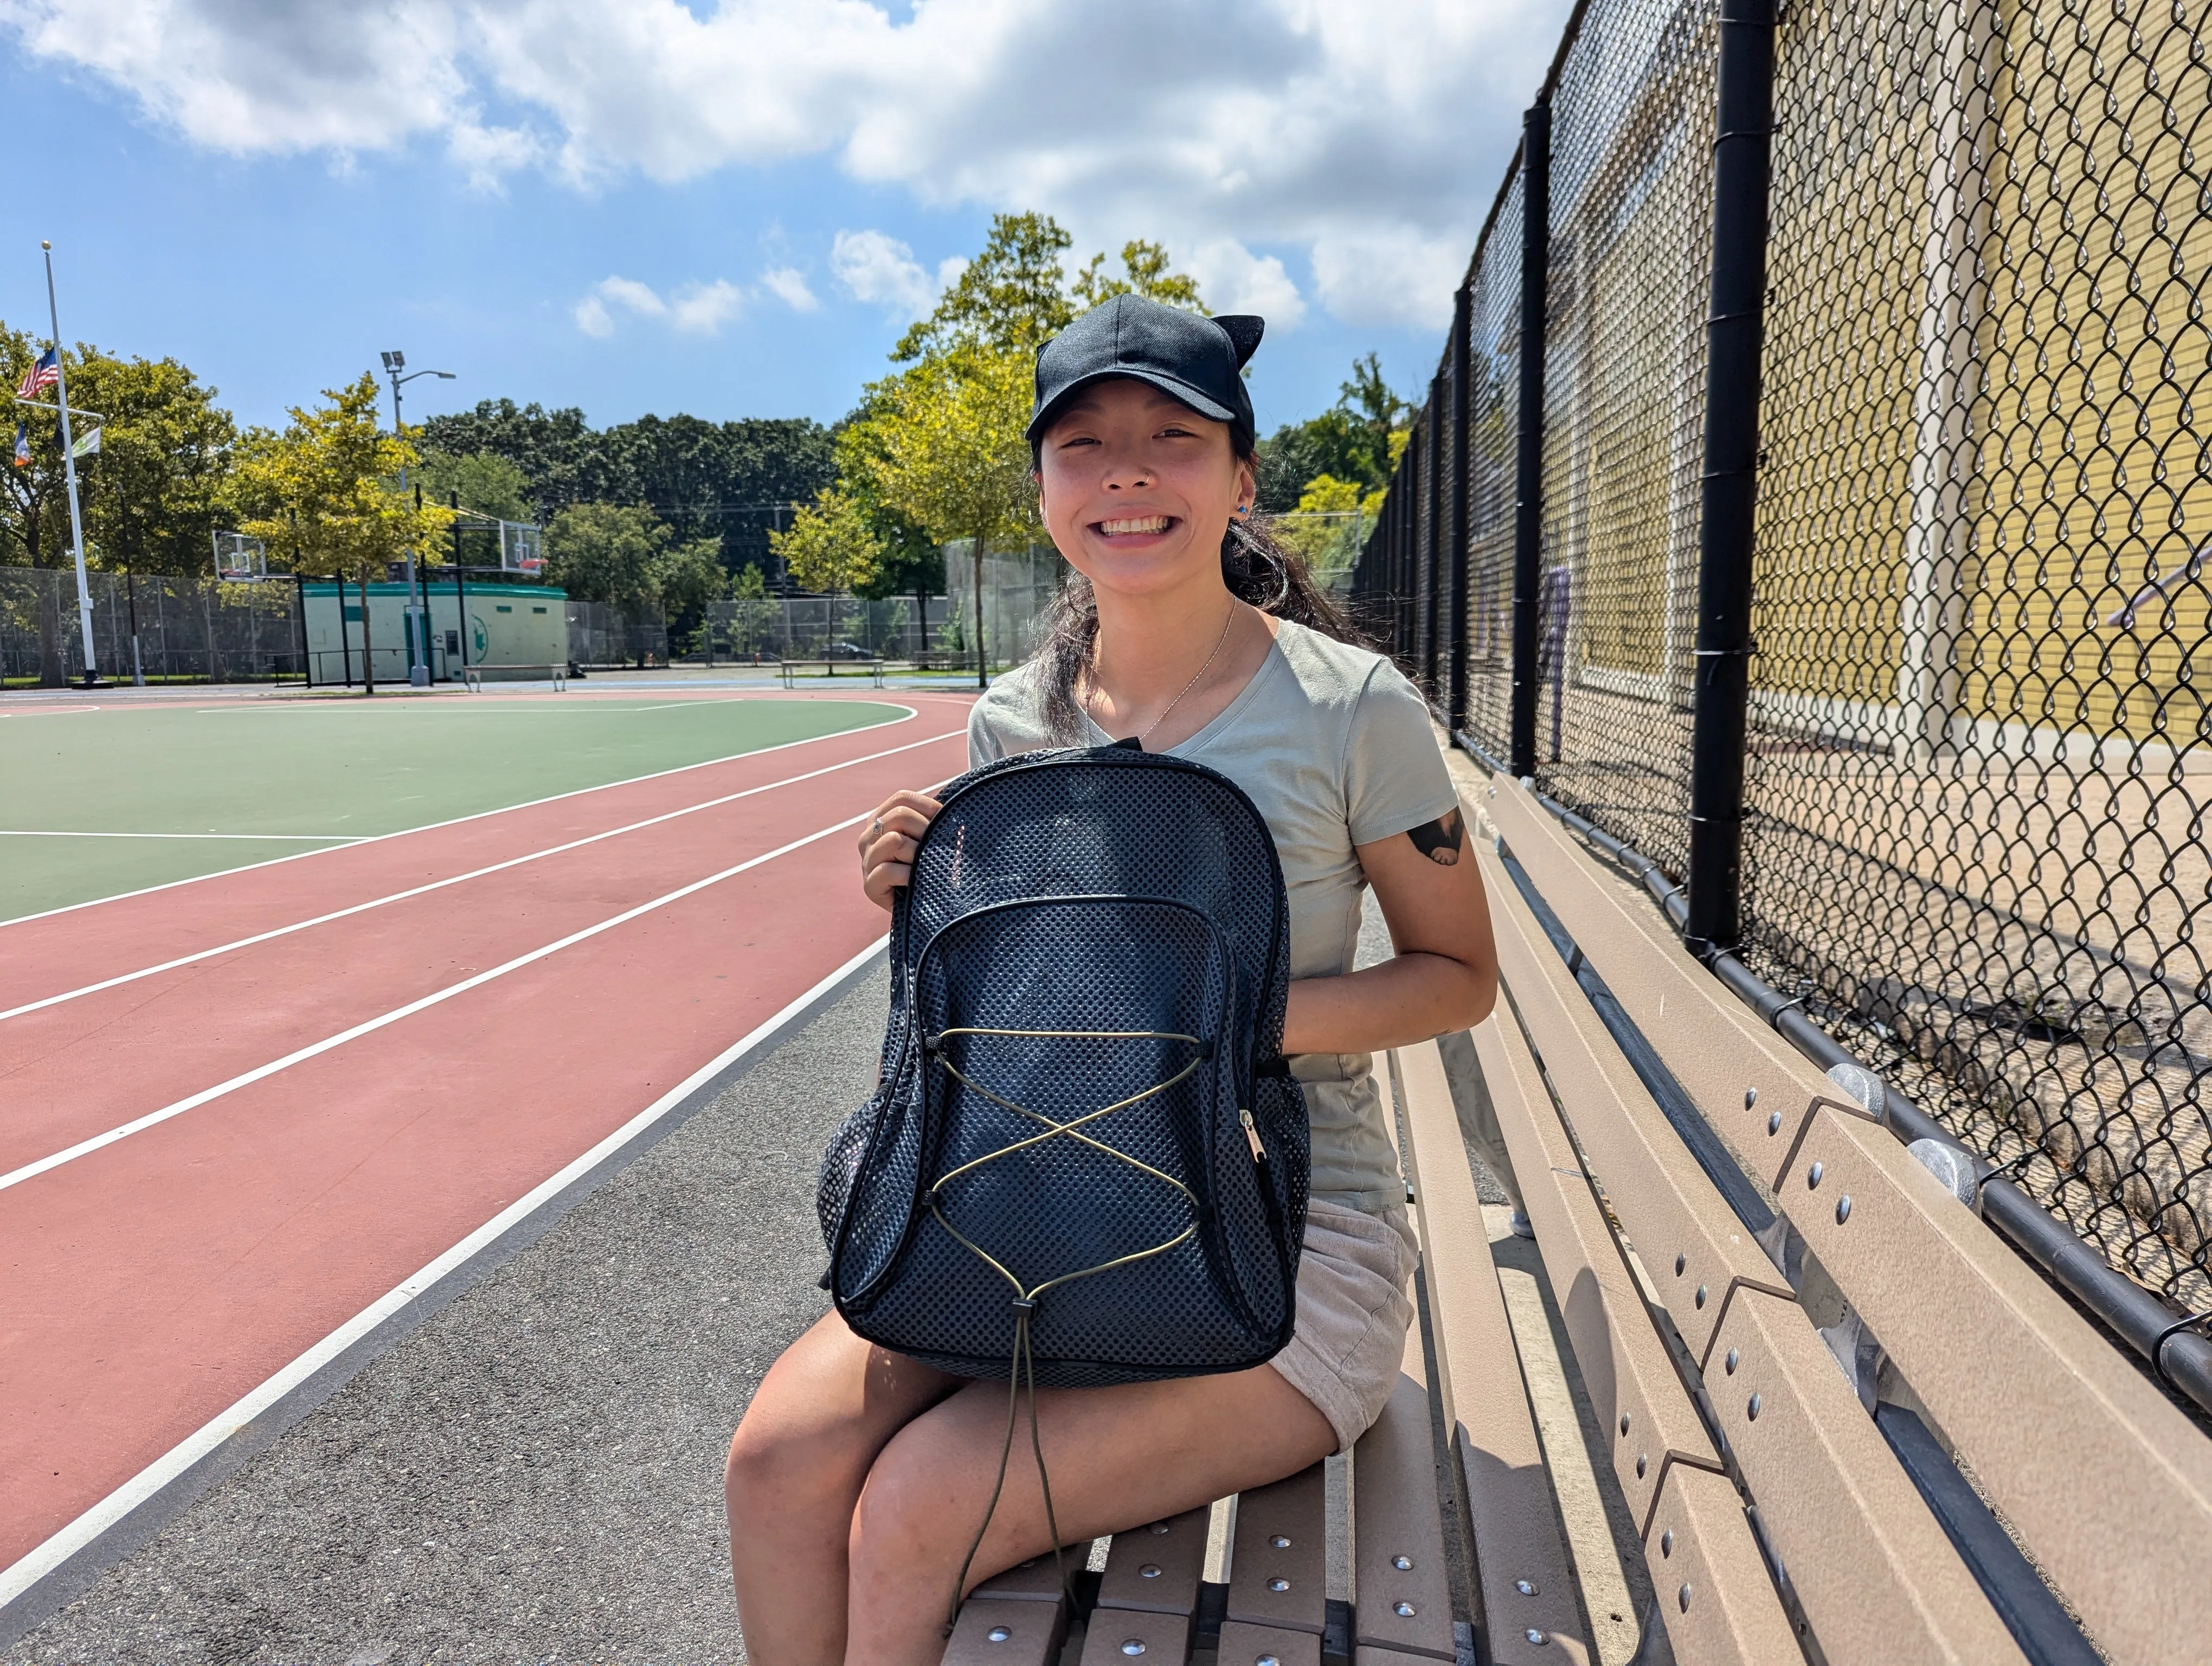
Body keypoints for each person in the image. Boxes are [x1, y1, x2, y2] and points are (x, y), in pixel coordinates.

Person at [725, 294, 1499, 1664]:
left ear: (1240, 481)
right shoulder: (1010, 721)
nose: (1127, 471)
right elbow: (1020, 1016)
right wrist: (922, 906)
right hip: (1042, 1208)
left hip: (1292, 1239)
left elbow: (1455, 979)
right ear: (1041, 491)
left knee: (917, 1506)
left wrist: (1221, 1033)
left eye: (1173, 437)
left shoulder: (1350, 708)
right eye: (1082, 443)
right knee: (779, 1463)